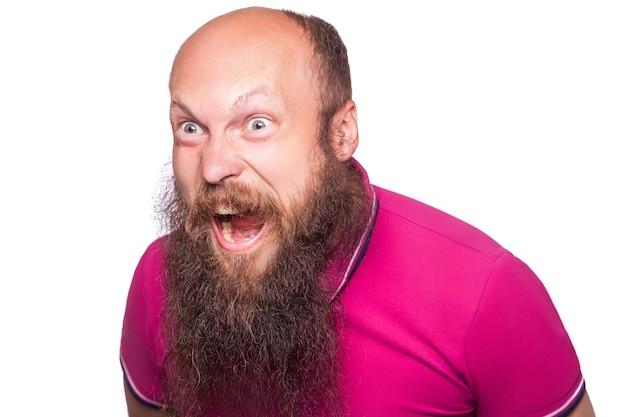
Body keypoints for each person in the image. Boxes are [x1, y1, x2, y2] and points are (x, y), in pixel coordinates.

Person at [120, 6, 595, 417]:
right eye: (190, 127)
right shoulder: (158, 277)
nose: (214, 165)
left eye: (257, 124)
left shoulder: (486, 294)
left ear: (341, 133)